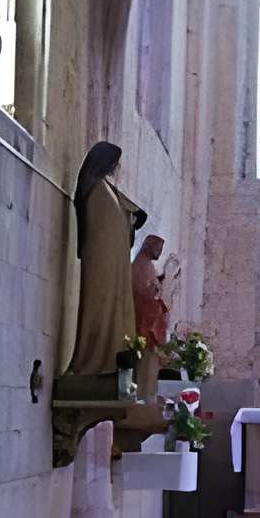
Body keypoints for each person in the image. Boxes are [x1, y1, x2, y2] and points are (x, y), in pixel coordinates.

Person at [63, 142, 147, 379]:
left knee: (112, 310)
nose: (116, 166)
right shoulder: (95, 189)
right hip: (101, 263)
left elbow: (123, 215)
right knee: (99, 308)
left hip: (113, 264)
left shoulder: (105, 188)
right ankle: (94, 362)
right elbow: (102, 226)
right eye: (114, 162)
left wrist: (132, 219)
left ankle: (109, 360)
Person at [131, 234, 175, 396]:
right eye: (158, 248)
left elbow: (151, 288)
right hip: (143, 324)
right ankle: (142, 400)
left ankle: (146, 399)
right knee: (144, 367)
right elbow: (141, 293)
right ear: (149, 246)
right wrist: (155, 292)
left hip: (149, 321)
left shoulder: (148, 266)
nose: (160, 252)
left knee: (150, 368)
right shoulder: (141, 266)